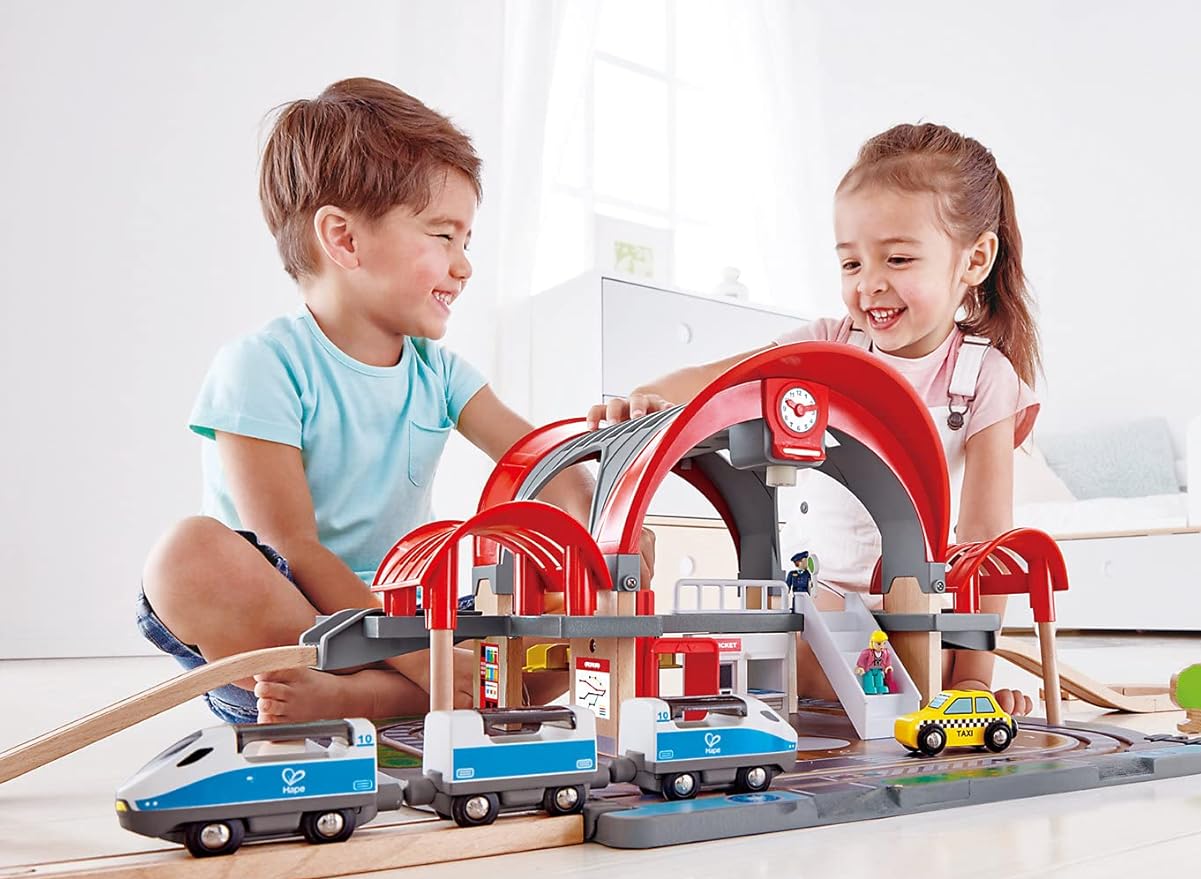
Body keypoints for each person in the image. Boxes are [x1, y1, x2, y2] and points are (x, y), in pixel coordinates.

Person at [137, 78, 602, 725]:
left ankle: (369, 702)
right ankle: (399, 693)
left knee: (562, 633)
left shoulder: (442, 375)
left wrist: (603, 536)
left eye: (466, 241)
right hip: (295, 622)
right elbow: (293, 544)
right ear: (345, 241)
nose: (464, 265)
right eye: (443, 236)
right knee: (186, 555)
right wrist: (416, 657)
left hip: (414, 614)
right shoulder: (261, 365)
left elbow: (543, 462)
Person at [587, 122, 1039, 716]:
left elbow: (986, 544)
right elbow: (716, 381)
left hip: (920, 614)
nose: (870, 284)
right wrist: (646, 397)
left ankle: (940, 685)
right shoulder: (830, 346)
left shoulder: (985, 377)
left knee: (914, 669)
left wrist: (975, 680)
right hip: (820, 602)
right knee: (762, 636)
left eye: (898, 258)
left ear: (974, 259)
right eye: (851, 264)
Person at [855, 630, 895, 695]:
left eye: (884, 643)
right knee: (869, 677)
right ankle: (869, 687)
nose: (882, 646)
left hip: (879, 669)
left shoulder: (885, 652)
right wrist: (860, 667)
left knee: (879, 677)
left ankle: (880, 687)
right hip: (869, 669)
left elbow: (888, 660)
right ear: (872, 643)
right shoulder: (867, 652)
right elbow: (861, 660)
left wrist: (888, 666)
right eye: (879, 644)